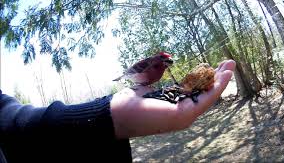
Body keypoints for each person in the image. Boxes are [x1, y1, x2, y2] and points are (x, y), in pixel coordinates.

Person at [0, 60, 236, 162]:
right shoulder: (147, 66)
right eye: (162, 63)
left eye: (166, 64)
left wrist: (104, 116)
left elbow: (10, 116)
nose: (164, 67)